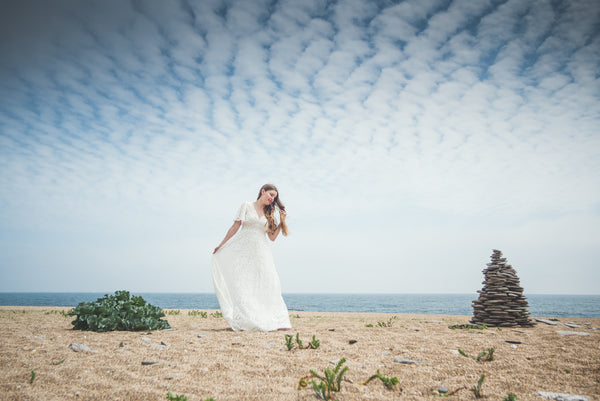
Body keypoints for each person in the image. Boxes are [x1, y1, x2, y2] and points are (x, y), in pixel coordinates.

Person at [211, 184, 292, 331]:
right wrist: (222, 244)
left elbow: (272, 237)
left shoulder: (269, 213)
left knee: (268, 282)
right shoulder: (246, 206)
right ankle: (248, 319)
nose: (272, 199)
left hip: (261, 252)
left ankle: (274, 320)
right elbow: (235, 227)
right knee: (245, 282)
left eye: (274, 197)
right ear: (263, 191)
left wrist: (281, 221)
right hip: (244, 251)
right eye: (271, 195)